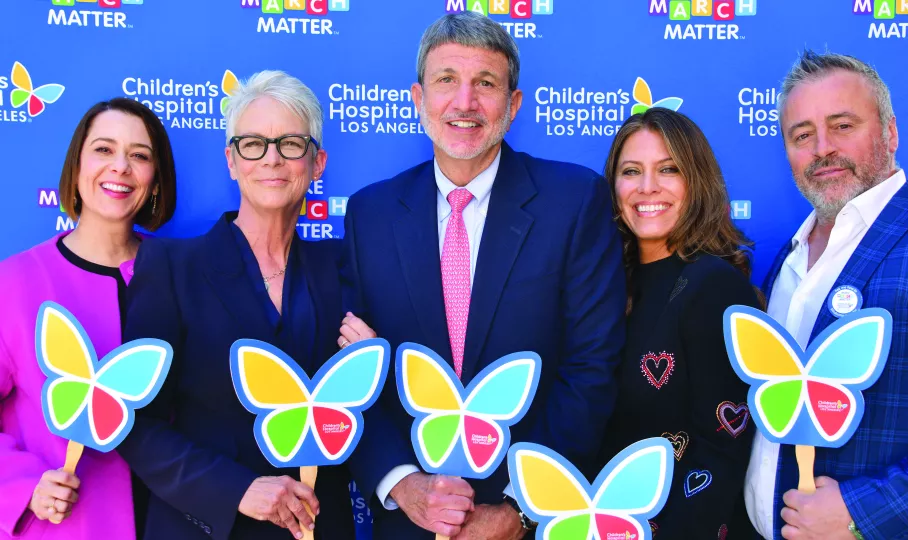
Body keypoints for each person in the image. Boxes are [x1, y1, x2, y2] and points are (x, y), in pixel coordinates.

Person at [338, 11, 626, 540]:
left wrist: (521, 506)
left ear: (513, 106)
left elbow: (591, 369)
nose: (464, 102)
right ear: (417, 98)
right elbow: (353, 379)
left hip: (526, 519)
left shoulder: (574, 201)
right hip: (409, 521)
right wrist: (404, 485)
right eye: (446, 80)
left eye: (486, 84)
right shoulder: (370, 214)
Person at [117, 71, 355, 540]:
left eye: (290, 143)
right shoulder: (172, 266)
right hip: (205, 528)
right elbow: (132, 422)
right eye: (253, 144)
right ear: (231, 160)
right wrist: (237, 489)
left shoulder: (346, 268)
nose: (271, 159)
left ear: (317, 162)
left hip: (319, 529)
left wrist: (371, 359)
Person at [744, 51, 908, 540]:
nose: (822, 148)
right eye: (802, 135)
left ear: (890, 133)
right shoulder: (789, 258)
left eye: (842, 125)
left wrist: (860, 513)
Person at [0, 97, 177, 539]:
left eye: (139, 155)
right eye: (103, 149)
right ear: (76, 167)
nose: (120, 166)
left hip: (174, 524)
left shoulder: (183, 274)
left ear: (155, 181)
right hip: (66, 527)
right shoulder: (16, 281)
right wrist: (22, 486)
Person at [593, 108, 760, 539]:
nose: (647, 187)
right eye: (631, 171)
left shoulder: (714, 287)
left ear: (697, 181)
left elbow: (721, 453)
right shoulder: (602, 284)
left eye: (668, 169)